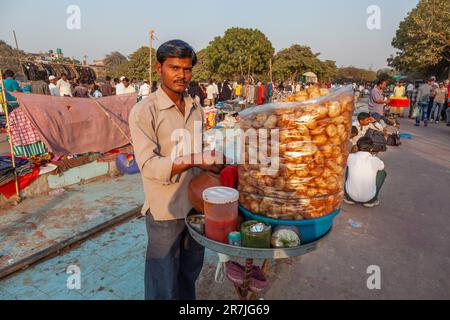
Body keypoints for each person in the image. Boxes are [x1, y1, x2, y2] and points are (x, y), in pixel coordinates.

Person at [129, 39, 221, 300]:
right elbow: (148, 166)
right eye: (174, 68)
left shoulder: (195, 107)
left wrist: (216, 164)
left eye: (187, 68)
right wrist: (195, 160)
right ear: (159, 68)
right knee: (163, 286)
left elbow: (200, 149)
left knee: (188, 277)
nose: (182, 75)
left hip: (195, 207)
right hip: (164, 211)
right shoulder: (143, 112)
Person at [344, 136, 386, 208]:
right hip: (369, 198)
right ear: (371, 149)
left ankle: (348, 197)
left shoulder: (350, 157)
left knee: (347, 167)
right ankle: (373, 200)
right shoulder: (375, 160)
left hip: (350, 196)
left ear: (357, 147)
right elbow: (382, 167)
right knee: (382, 173)